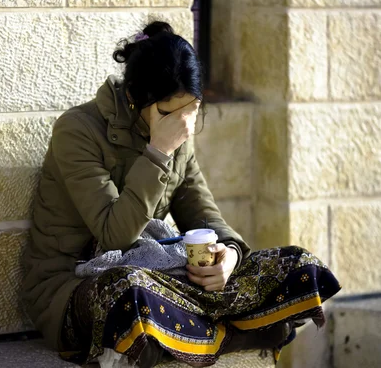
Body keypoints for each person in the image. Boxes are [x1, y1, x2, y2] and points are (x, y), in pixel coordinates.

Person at [22, 21, 340, 367]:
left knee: (296, 266)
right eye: (167, 113)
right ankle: (231, 330)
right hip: (77, 288)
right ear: (133, 99)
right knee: (130, 291)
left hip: (163, 279)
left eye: (192, 110)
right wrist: (158, 152)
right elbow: (114, 235)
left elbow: (206, 216)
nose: (184, 125)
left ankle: (193, 335)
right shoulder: (77, 131)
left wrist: (229, 258)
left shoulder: (178, 136)